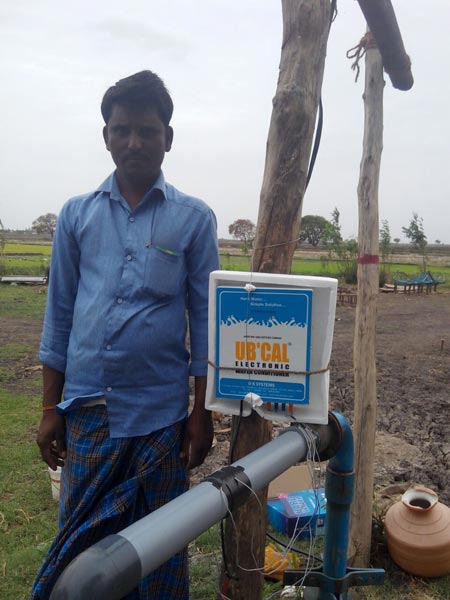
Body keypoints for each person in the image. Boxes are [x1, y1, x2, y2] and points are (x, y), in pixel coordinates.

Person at [31, 70, 220, 599]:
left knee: (159, 552)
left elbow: (205, 322)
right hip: (89, 413)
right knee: (80, 556)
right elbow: (59, 315)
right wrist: (49, 408)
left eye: (147, 130)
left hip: (161, 421)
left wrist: (201, 413)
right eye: (122, 130)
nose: (134, 142)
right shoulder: (77, 215)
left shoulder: (193, 219)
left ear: (168, 138)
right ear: (106, 136)